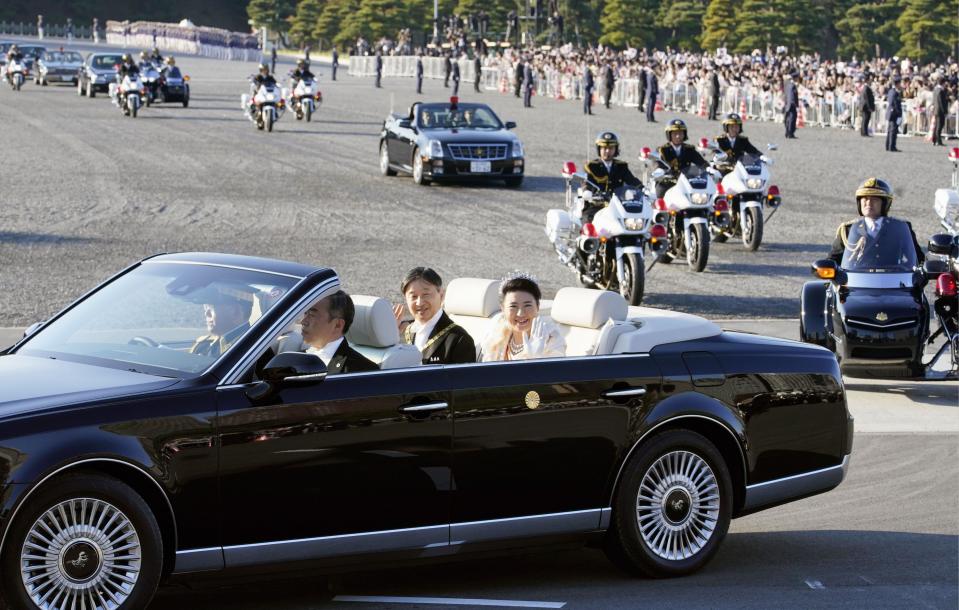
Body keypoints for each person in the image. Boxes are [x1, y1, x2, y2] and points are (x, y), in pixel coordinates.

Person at [828, 177, 924, 264]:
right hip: (857, 282)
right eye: (865, 199)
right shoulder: (847, 230)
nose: (869, 203)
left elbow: (918, 260)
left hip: (892, 281)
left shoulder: (899, 229)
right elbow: (832, 261)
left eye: (875, 199)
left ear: (885, 204)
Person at [392, 267, 476, 365]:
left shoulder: (459, 340)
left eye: (426, 294)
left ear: (441, 295)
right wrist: (390, 339)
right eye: (413, 296)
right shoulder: (399, 333)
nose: (419, 303)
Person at [479, 275, 565, 362]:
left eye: (527, 305)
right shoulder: (496, 334)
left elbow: (554, 374)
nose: (520, 313)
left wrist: (535, 358)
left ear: (538, 306)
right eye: (513, 306)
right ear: (503, 308)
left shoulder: (552, 338)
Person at [300, 290, 378, 375]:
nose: (303, 321)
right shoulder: (295, 358)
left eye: (312, 315)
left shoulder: (364, 371)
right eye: (305, 313)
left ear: (337, 325)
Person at [190, 289, 253, 357]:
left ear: (235, 312)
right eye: (205, 307)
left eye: (211, 307)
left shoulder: (250, 348)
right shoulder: (202, 346)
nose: (206, 313)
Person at [655, 119, 708, 198]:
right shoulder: (662, 150)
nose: (678, 136)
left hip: (686, 182)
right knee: (660, 195)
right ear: (669, 135)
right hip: (668, 183)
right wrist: (660, 171)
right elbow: (659, 165)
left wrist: (708, 168)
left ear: (684, 134)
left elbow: (701, 162)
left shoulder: (689, 149)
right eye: (675, 133)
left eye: (680, 133)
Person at [885, 76, 902, 152]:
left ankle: (889, 146)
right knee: (893, 131)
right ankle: (891, 146)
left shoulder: (891, 91)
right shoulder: (894, 92)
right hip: (894, 114)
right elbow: (894, 103)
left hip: (892, 113)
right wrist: (898, 113)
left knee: (890, 131)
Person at [932, 77, 948, 146]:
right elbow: (941, 102)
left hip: (936, 110)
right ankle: (939, 141)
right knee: (940, 125)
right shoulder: (940, 90)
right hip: (940, 111)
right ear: (943, 83)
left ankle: (934, 139)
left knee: (936, 126)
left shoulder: (935, 89)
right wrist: (944, 111)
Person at [783, 72, 799, 139]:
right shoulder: (791, 85)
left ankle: (787, 132)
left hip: (788, 104)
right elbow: (791, 95)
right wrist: (793, 103)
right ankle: (790, 133)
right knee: (792, 118)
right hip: (791, 104)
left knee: (788, 119)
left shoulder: (787, 83)